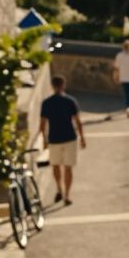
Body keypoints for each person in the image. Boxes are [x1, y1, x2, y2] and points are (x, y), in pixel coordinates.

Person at [38, 76, 86, 205]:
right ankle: (67, 195)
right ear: (63, 85)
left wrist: (45, 141)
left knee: (56, 167)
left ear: (52, 86)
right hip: (70, 138)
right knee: (68, 168)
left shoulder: (46, 103)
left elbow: (42, 125)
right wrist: (82, 139)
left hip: (54, 139)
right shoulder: (70, 101)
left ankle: (60, 189)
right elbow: (78, 121)